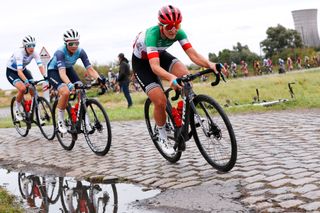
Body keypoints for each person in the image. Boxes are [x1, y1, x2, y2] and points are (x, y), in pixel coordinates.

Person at [131, 5, 222, 154]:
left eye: (177, 25)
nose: (174, 30)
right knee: (160, 101)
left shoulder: (179, 32)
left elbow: (193, 55)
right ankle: (161, 135)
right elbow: (154, 67)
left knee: (185, 76)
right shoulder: (152, 35)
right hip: (142, 63)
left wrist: (210, 64)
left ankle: (181, 112)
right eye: (169, 26)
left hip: (160, 55)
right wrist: (171, 78)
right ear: (161, 26)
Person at [47, 29, 106, 134]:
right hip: (54, 71)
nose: (74, 46)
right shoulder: (60, 52)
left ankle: (85, 119)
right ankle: (60, 120)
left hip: (68, 69)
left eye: (76, 43)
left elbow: (90, 69)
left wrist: (99, 79)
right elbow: (62, 74)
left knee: (81, 88)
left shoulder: (80, 51)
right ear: (66, 43)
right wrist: (69, 84)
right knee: (65, 92)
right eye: (71, 43)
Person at [6, 35, 47, 121]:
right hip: (12, 71)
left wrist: (45, 76)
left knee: (33, 88)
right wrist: (26, 81)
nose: (31, 48)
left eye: (33, 45)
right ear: (25, 46)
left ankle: (37, 114)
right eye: (29, 46)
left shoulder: (35, 53)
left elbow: (40, 66)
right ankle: (17, 109)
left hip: (23, 70)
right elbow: (19, 72)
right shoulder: (19, 53)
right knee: (22, 88)